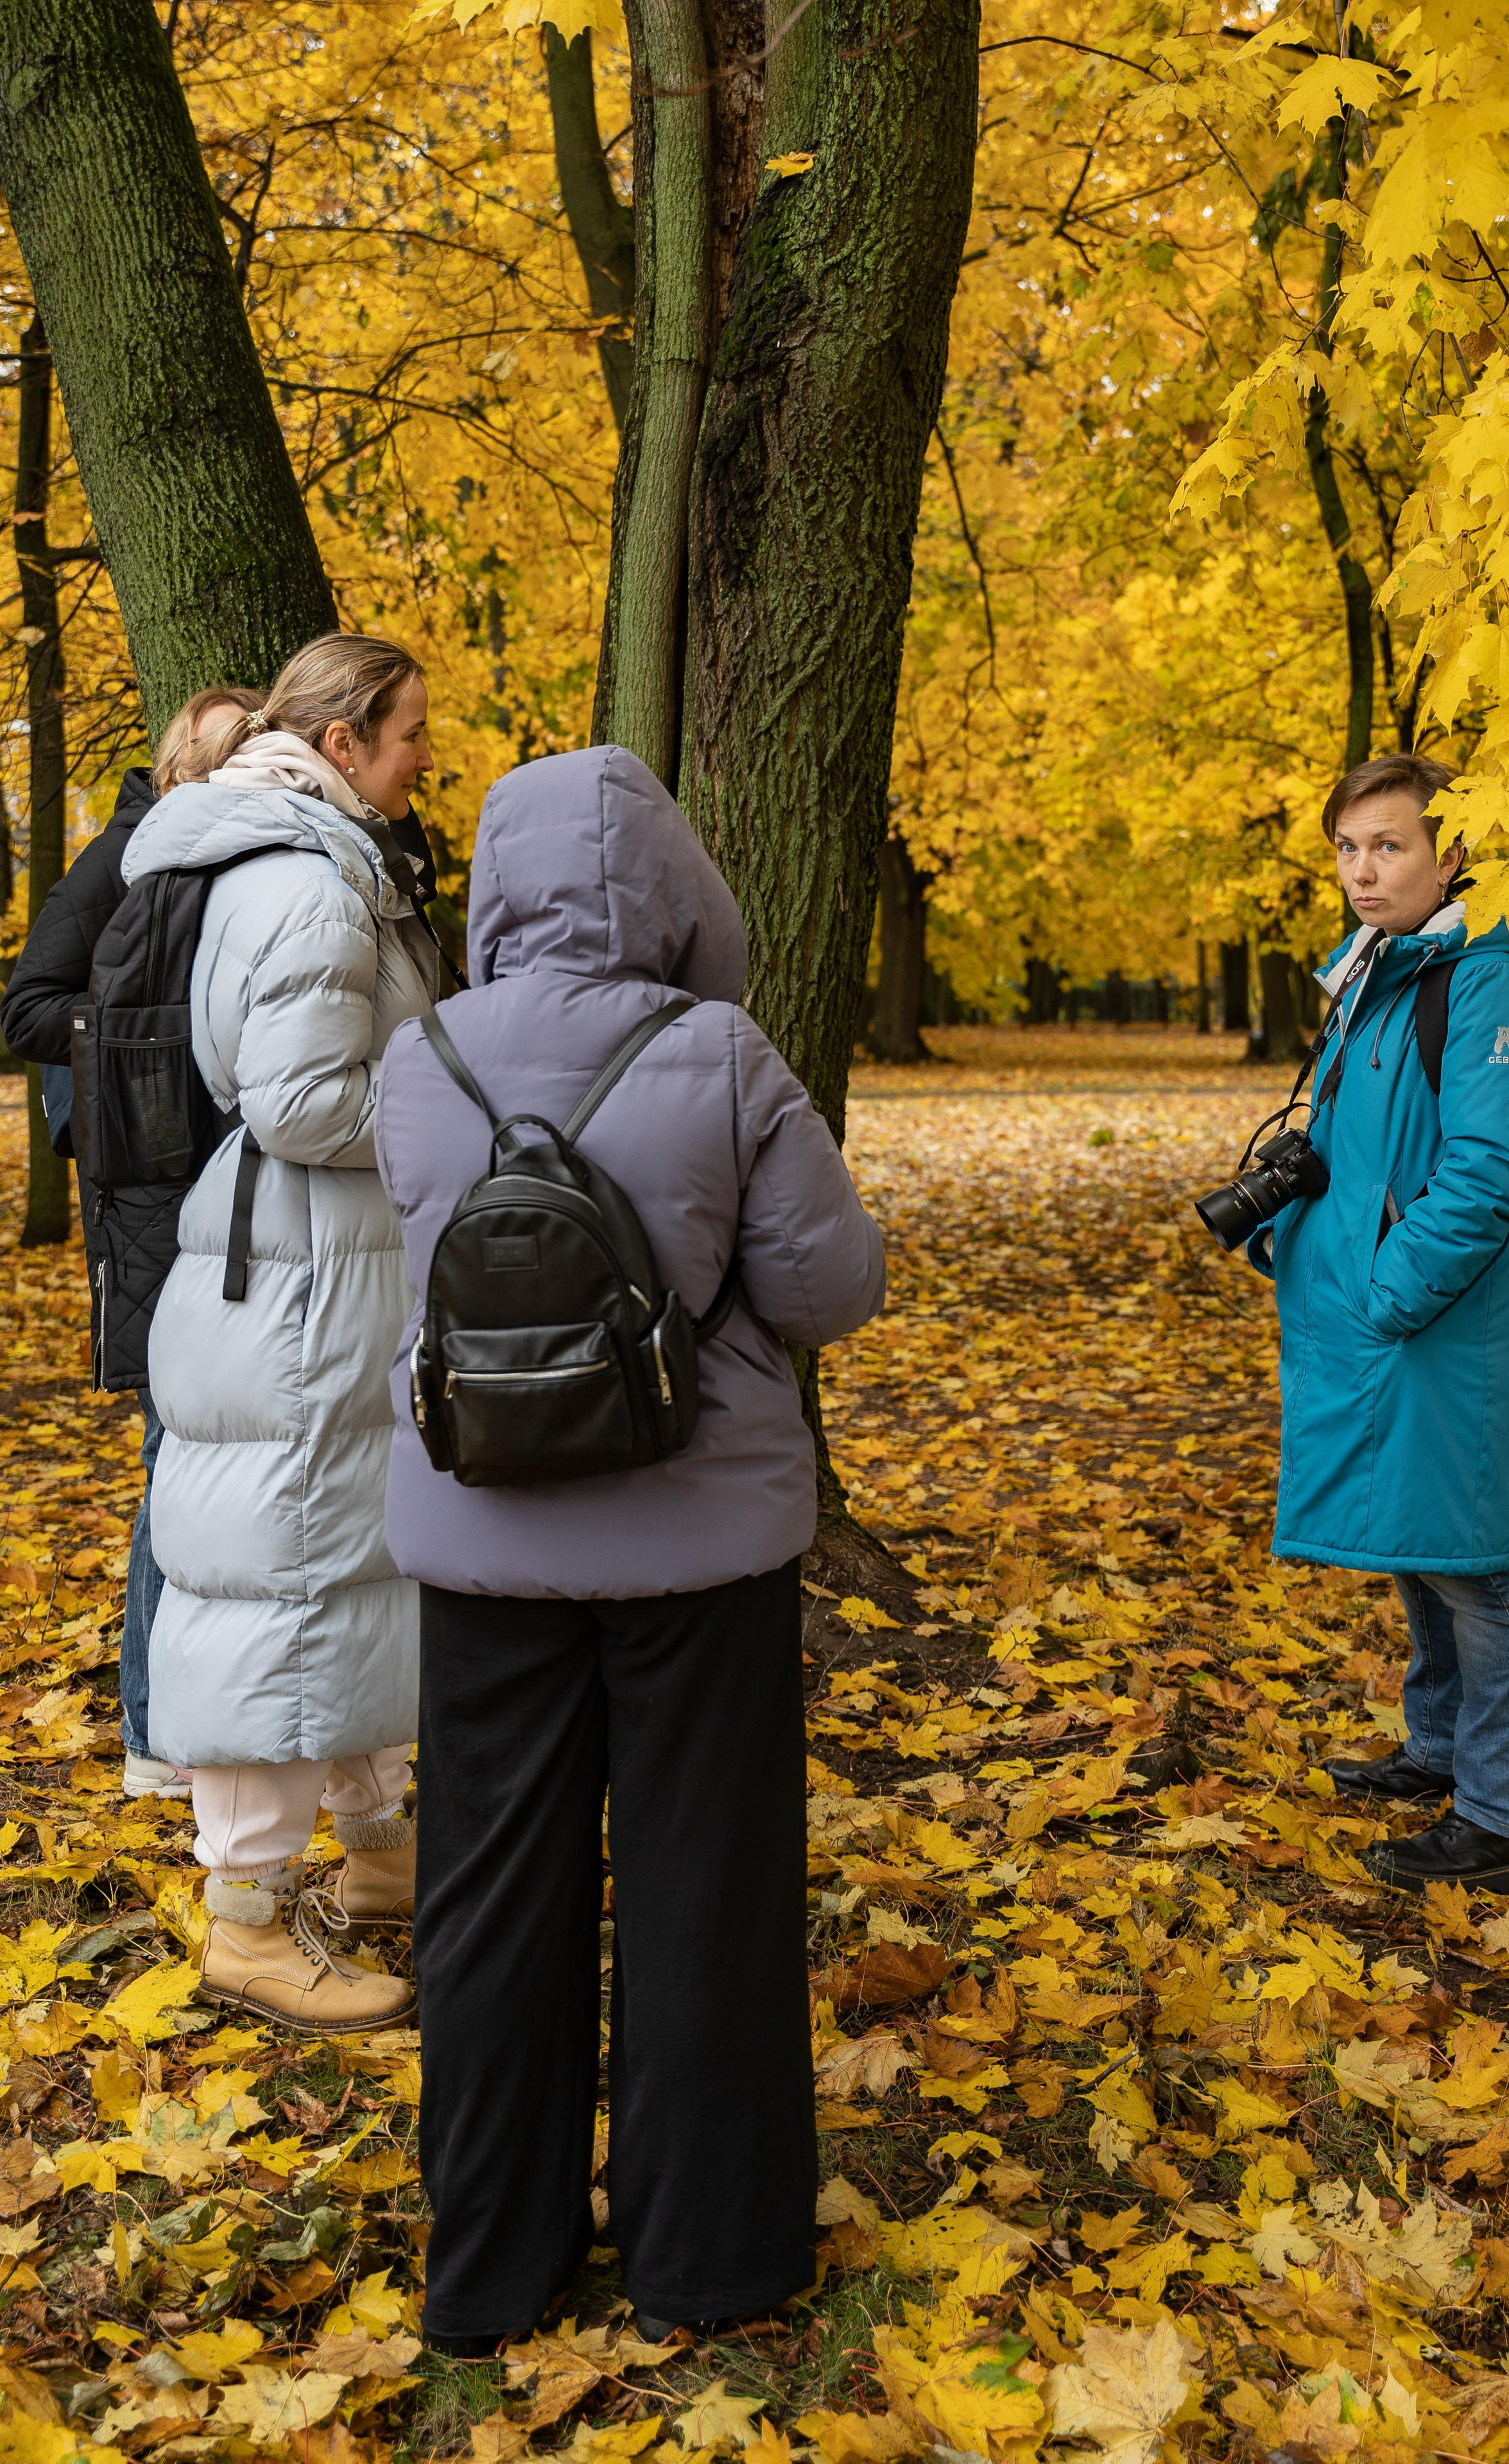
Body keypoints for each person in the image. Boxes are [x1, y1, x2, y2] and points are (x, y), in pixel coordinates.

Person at [374, 744, 886, 2352]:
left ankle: (493, 2267)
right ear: (672, 887)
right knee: (702, 1894)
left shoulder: (422, 1056)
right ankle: (707, 2256)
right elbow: (831, 1292)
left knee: (487, 1899)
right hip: (698, 1550)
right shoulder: (720, 1051)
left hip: (478, 1542)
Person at [130, 633, 441, 2033]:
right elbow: (308, 1104)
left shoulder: (286, 861)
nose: (423, 756)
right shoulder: (310, 886)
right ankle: (245, 1925)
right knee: (290, 1579)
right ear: (338, 743)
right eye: (408, 731)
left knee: (340, 1569)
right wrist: (458, 1126)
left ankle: (378, 1862)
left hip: (306, 1270)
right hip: (301, 1285)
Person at [1245, 751, 1509, 1894]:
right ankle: (1436, 1752)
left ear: (1452, 852)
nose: (1363, 871)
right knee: (1422, 1553)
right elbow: (1358, 1159)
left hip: (1448, 1325)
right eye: (1347, 848)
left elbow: (1489, 1175)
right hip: (1385, 1319)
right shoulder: (1379, 976)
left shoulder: (1486, 986)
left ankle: (1494, 1820)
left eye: (1390, 846)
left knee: (1477, 1568)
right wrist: (1278, 1222)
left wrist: (1391, 1293)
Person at [0, 683, 261, 1799]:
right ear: (182, 758)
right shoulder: (124, 855)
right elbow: (24, 1010)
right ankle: (151, 1732)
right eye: (232, 746)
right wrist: (150, 1034)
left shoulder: (235, 864)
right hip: (145, 1199)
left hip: (226, 1194)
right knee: (174, 1464)